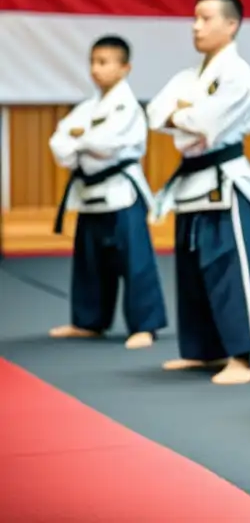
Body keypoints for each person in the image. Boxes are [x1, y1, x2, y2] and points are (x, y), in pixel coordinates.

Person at [147, 0, 250, 386]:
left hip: (226, 181)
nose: (196, 26)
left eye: (205, 18)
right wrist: (184, 114)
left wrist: (181, 113)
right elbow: (154, 113)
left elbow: (206, 122)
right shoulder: (189, 76)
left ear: (231, 25)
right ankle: (203, 350)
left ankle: (242, 356)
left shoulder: (237, 73)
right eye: (194, 18)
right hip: (192, 182)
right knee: (193, 270)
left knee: (229, 268)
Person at [48, 35, 167, 349]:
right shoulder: (86, 108)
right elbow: (59, 143)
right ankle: (89, 321)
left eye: (104, 62)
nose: (96, 69)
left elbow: (107, 143)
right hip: (89, 193)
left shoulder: (127, 106)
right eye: (93, 62)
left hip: (121, 193)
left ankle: (145, 325)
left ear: (124, 67)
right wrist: (81, 140)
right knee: (90, 260)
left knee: (134, 261)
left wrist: (80, 139)